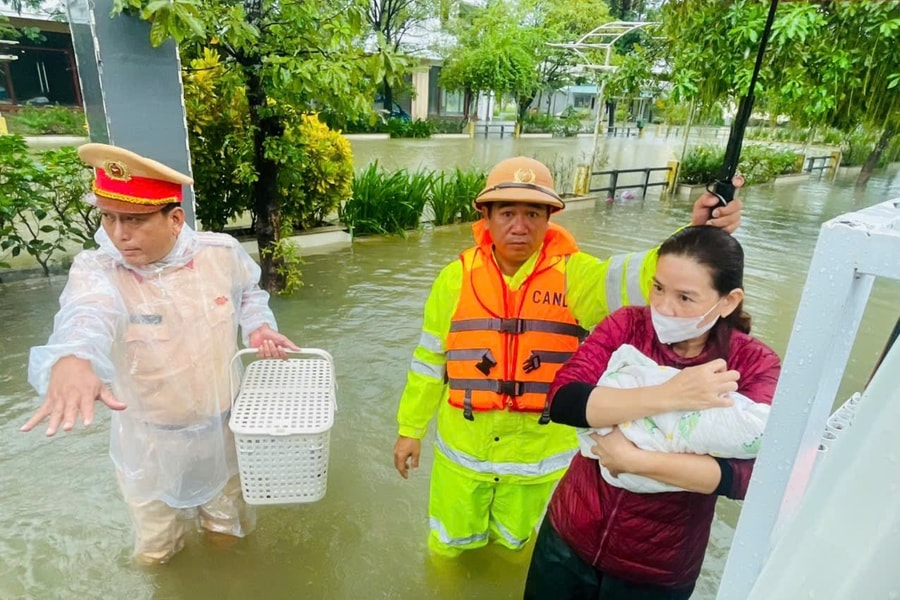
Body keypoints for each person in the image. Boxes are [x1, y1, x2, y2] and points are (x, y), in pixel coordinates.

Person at [391, 156, 744, 558]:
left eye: (532, 213)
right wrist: (410, 430)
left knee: (518, 550)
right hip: (463, 459)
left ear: (550, 218)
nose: (519, 226)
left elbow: (642, 278)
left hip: (538, 461)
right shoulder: (453, 278)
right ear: (485, 216)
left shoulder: (578, 277)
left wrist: (694, 233)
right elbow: (428, 362)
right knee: (447, 546)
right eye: (507, 212)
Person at [21, 143, 299, 564]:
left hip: (221, 432)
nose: (119, 234)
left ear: (174, 219)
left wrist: (258, 327)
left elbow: (249, 294)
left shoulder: (219, 254)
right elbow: (85, 316)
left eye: (133, 219)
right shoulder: (99, 271)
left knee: (228, 534)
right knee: (157, 550)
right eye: (108, 217)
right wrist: (74, 357)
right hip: (148, 442)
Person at [523, 226, 782, 599]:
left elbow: (749, 477)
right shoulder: (627, 325)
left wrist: (632, 460)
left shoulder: (753, 363)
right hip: (568, 538)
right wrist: (669, 394)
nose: (663, 307)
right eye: (658, 288)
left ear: (727, 301)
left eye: (685, 298)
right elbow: (563, 400)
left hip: (656, 570)